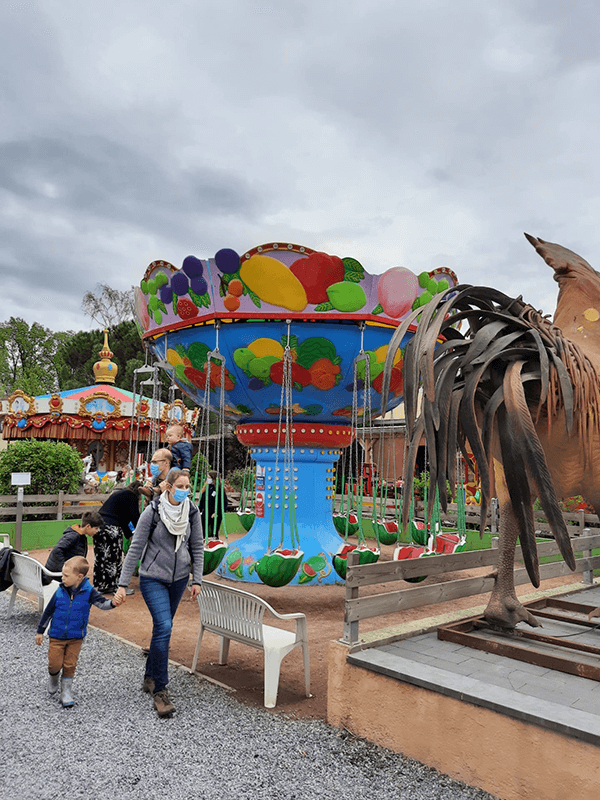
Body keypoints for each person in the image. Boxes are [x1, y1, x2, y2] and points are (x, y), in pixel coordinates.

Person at [115, 468, 203, 718]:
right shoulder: (152, 512)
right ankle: (161, 692)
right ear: (169, 486)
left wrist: (197, 579)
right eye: (181, 486)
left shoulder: (192, 512)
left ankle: (149, 676)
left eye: (188, 486)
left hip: (178, 580)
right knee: (164, 626)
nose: (185, 490)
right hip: (153, 577)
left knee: (161, 628)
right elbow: (136, 548)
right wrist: (122, 584)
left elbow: (197, 545)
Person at [35, 556, 123, 707]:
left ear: (79, 577)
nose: (62, 578)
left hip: (76, 637)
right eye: (62, 575)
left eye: (66, 576)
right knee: (54, 664)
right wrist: (40, 631)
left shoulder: (89, 592)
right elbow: (48, 612)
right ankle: (54, 677)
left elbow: (102, 604)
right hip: (56, 636)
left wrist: (113, 603)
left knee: (70, 664)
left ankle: (66, 692)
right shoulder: (59, 591)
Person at [94, 481, 143, 594]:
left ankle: (103, 585)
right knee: (114, 557)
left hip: (99, 526)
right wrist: (140, 533)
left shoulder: (120, 494)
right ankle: (117, 587)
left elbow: (123, 518)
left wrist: (129, 534)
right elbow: (134, 516)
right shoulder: (131, 496)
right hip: (112, 528)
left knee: (101, 555)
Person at [199, 470, 226, 539]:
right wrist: (199, 510)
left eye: (209, 478)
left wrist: (217, 512)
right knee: (202, 530)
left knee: (214, 531)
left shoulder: (219, 489)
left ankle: (215, 542)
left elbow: (223, 503)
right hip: (205, 513)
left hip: (215, 514)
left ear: (213, 479)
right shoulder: (207, 488)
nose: (207, 479)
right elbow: (202, 501)